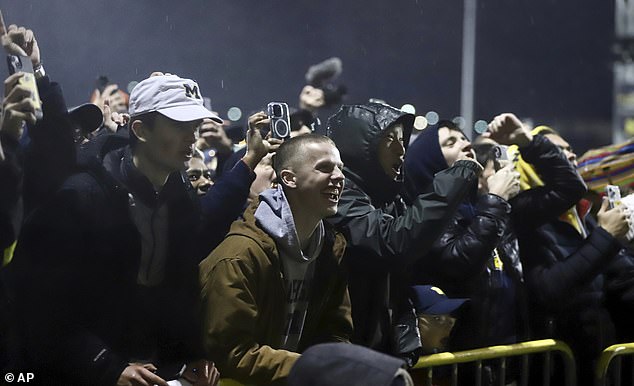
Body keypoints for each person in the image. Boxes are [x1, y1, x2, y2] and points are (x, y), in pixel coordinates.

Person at [5, 72, 274, 386]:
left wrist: (191, 353)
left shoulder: (179, 197)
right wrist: (106, 367)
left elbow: (180, 282)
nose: (192, 135)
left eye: (195, 125)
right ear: (140, 129)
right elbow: (38, 304)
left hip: (139, 362)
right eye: (179, 124)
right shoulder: (80, 197)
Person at [326, 102, 481, 353]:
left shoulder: (387, 199)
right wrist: (458, 175)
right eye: (389, 138)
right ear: (361, 145)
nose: (401, 149)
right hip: (348, 353)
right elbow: (394, 241)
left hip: (375, 350)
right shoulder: (339, 197)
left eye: (402, 139)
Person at [200, 134, 352, 385]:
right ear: (288, 178)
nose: (339, 177)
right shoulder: (240, 255)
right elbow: (231, 352)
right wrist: (314, 368)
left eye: (340, 168)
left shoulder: (330, 248)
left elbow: (336, 331)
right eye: (324, 168)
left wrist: (334, 364)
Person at [516, 125, 634, 385]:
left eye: (569, 149)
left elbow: (622, 280)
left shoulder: (582, 217)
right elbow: (549, 291)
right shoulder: (529, 222)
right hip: (556, 369)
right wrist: (606, 236)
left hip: (597, 363)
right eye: (558, 151)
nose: (570, 156)